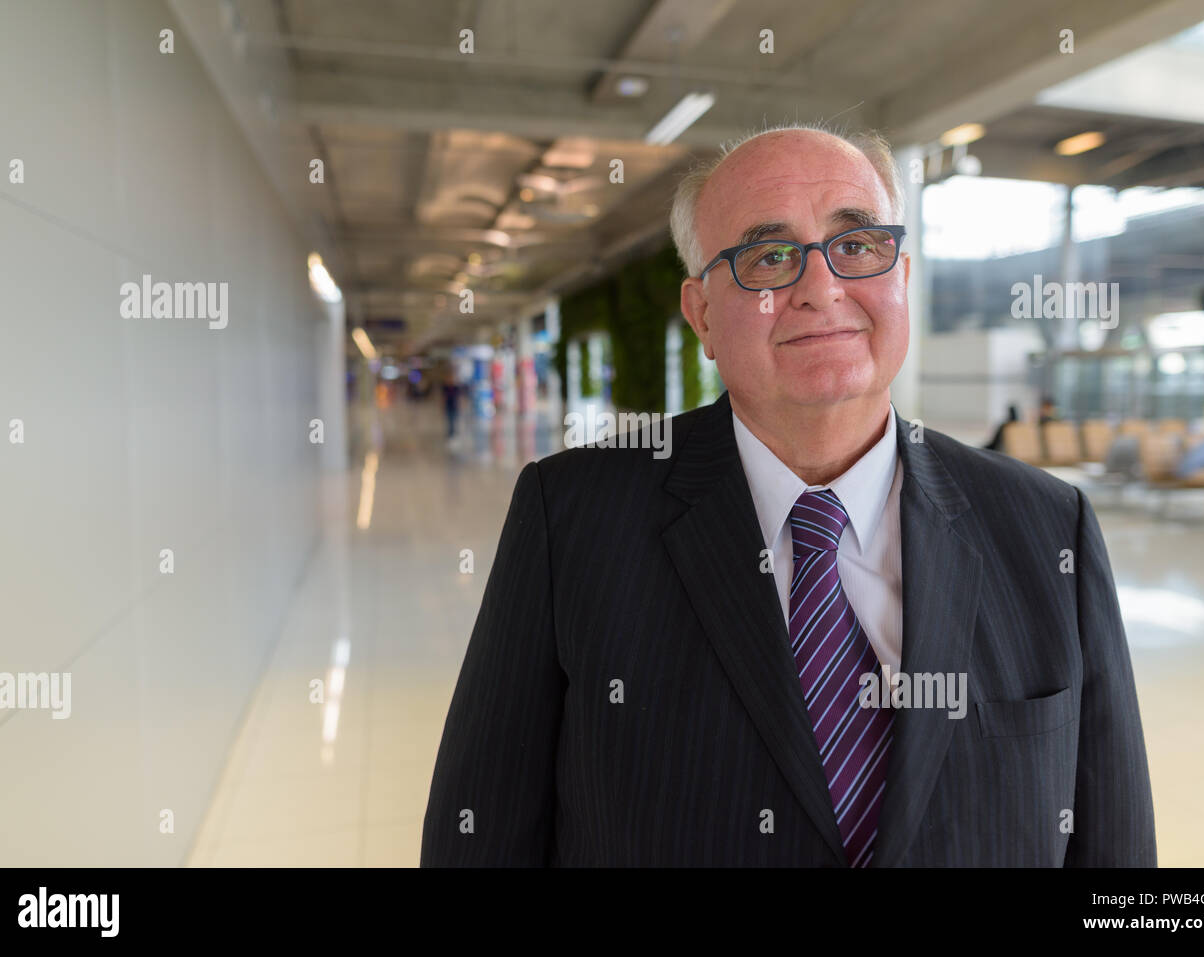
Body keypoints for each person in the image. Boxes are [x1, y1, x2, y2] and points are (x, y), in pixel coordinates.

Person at [421, 125, 1156, 867]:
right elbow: (480, 833)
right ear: (702, 313)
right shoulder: (571, 517)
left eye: (858, 245)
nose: (820, 288)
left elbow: (1116, 848)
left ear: (901, 276)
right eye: (768, 257)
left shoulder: (1045, 525)